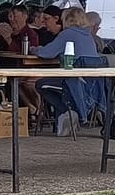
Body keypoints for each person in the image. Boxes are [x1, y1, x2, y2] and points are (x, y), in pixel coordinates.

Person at [33, 8, 108, 136]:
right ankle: (69, 113)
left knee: (41, 84)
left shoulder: (67, 34)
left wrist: (34, 49)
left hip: (75, 81)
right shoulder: (88, 35)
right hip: (91, 84)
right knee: (57, 85)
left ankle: (67, 111)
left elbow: (47, 53)